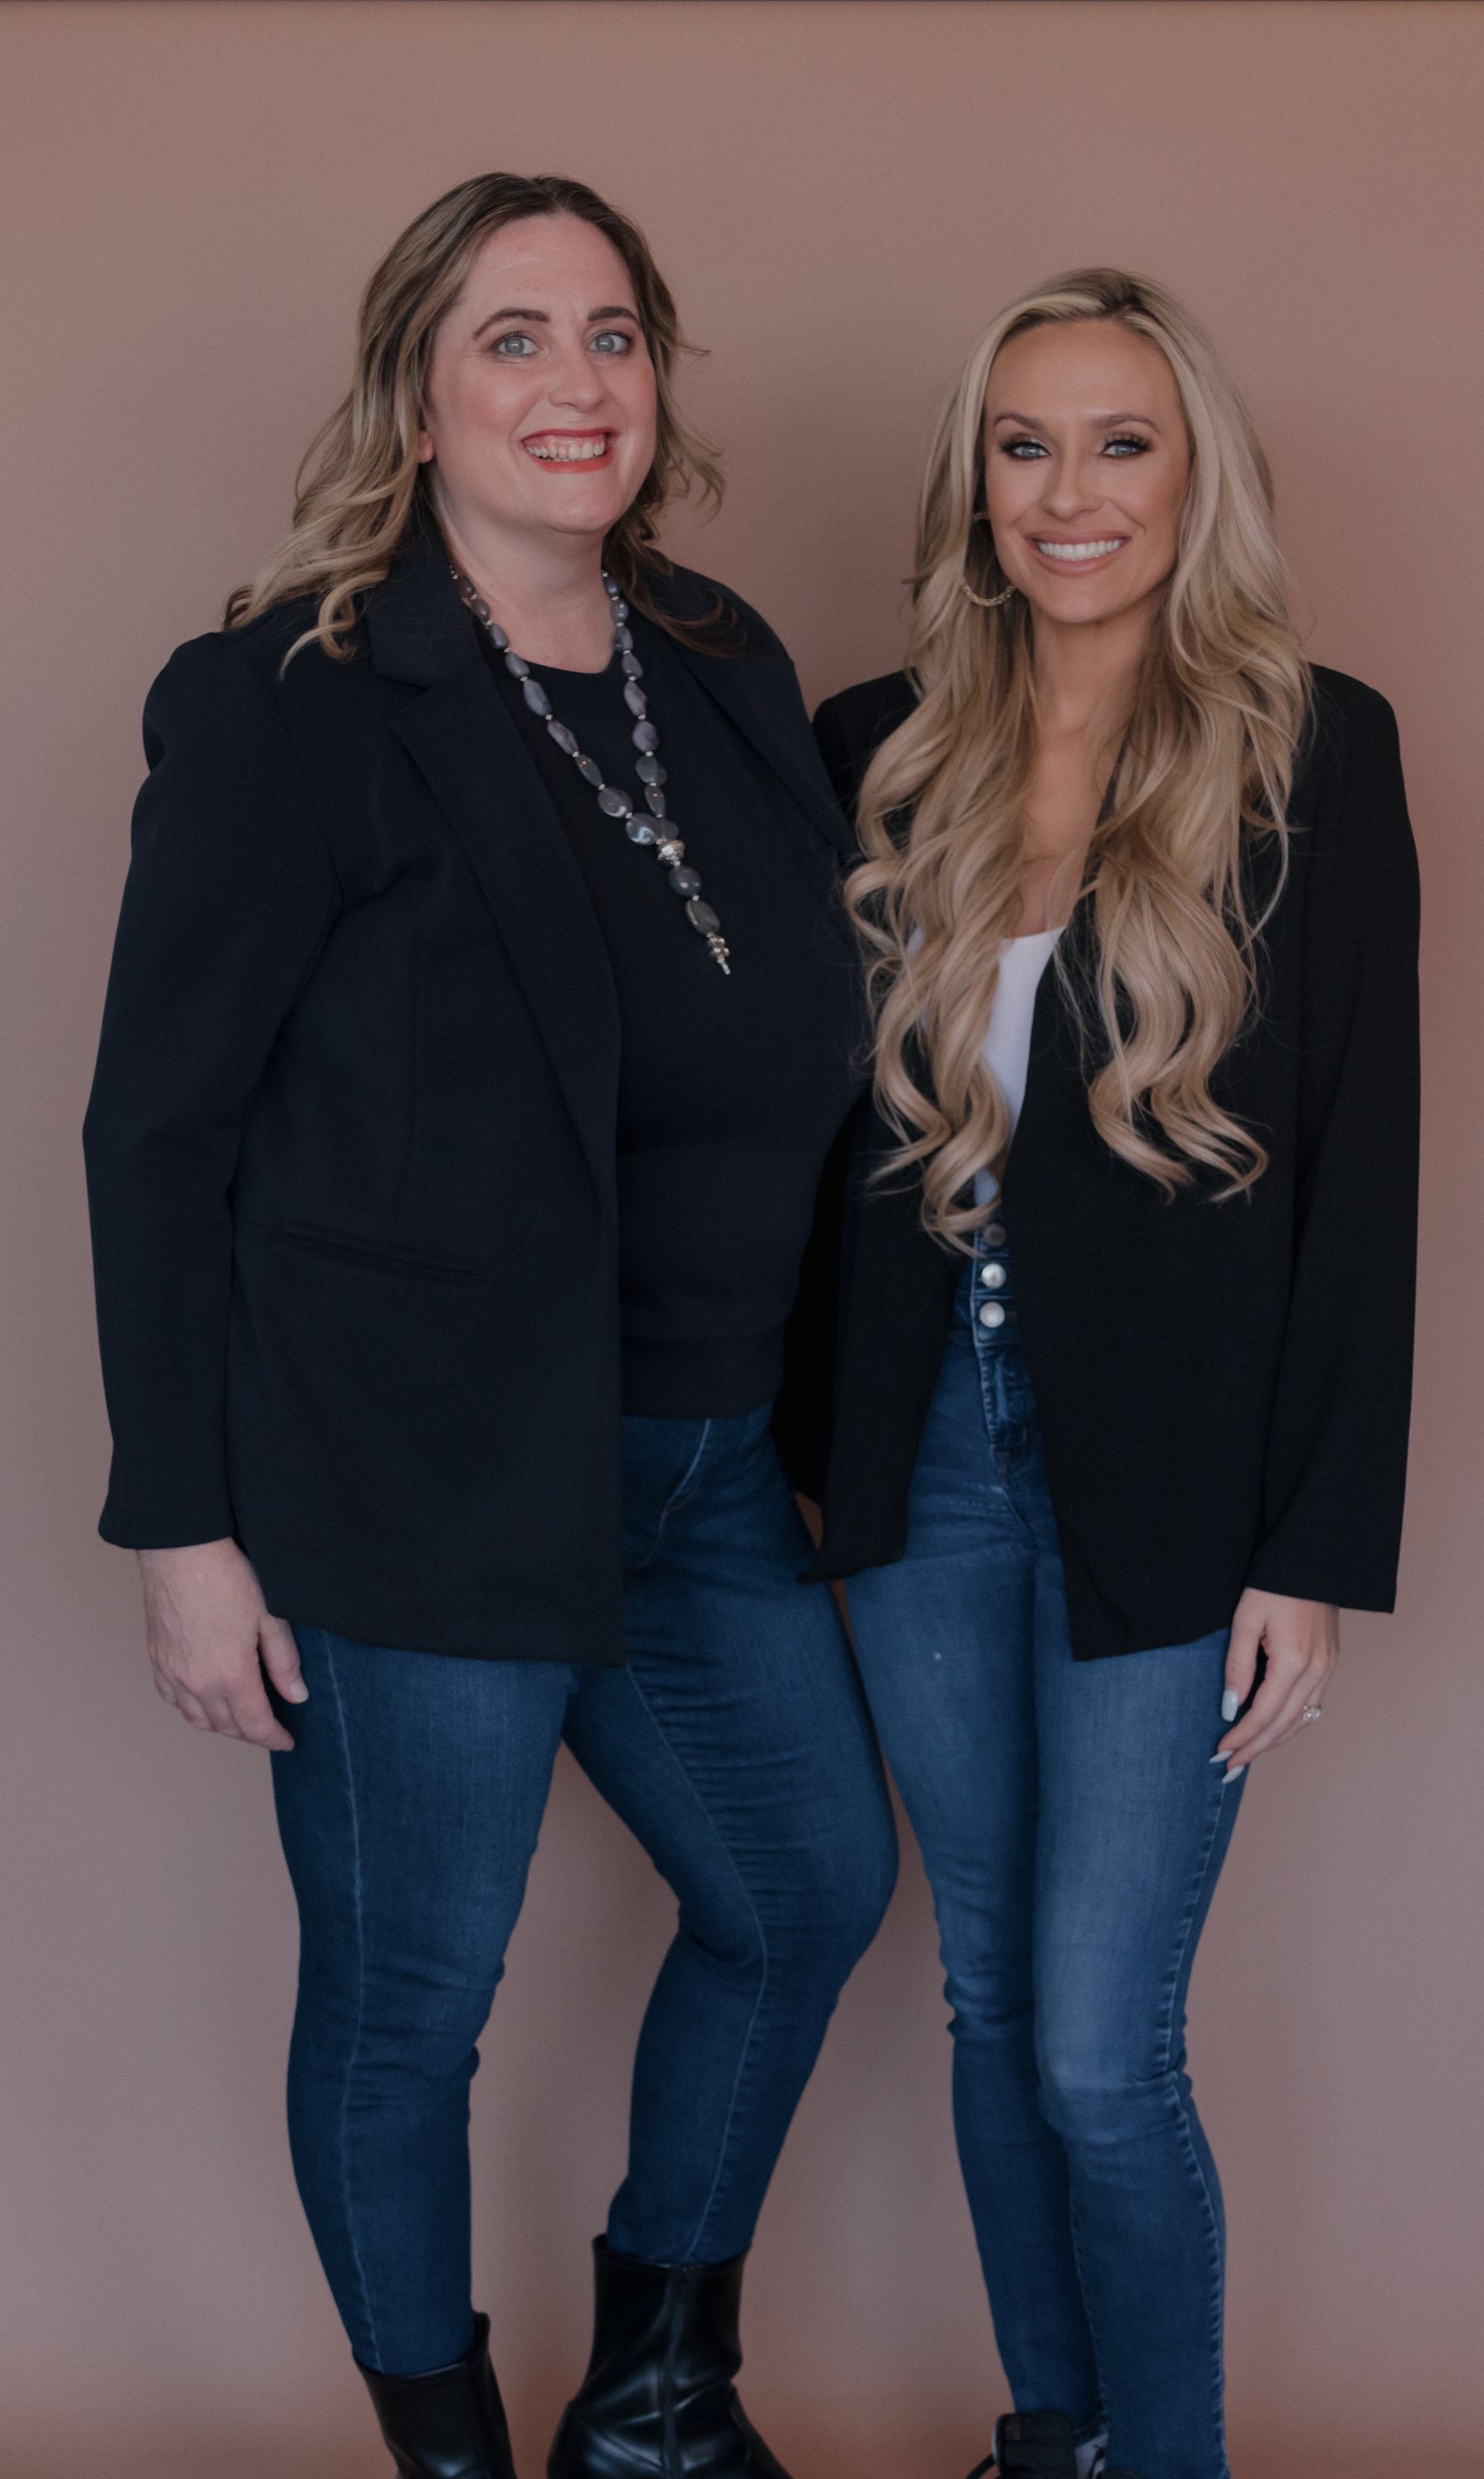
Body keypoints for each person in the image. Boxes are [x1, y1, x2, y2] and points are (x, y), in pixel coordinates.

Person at [83, 170, 896, 2479]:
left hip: (706, 1469)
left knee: (807, 1886)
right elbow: (160, 1138)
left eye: (614, 334)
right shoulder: (288, 700)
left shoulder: (725, 667)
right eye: (512, 336)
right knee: (416, 1998)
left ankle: (648, 2401)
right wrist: (187, 1533)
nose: (573, 384)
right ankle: (445, 2452)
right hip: (405, 1482)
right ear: (419, 389)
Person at [806, 269, 1420, 2479]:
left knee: (1095, 2051)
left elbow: (1367, 1168)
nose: (1072, 493)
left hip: (1175, 1480)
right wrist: (801, 1467)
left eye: (1121, 442)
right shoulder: (868, 740)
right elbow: (805, 1161)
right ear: (975, 486)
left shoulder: (1315, 745)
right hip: (918, 1475)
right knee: (984, 2005)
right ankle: (1050, 2439)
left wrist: (1317, 1543)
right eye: (1026, 445)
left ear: (1196, 475)